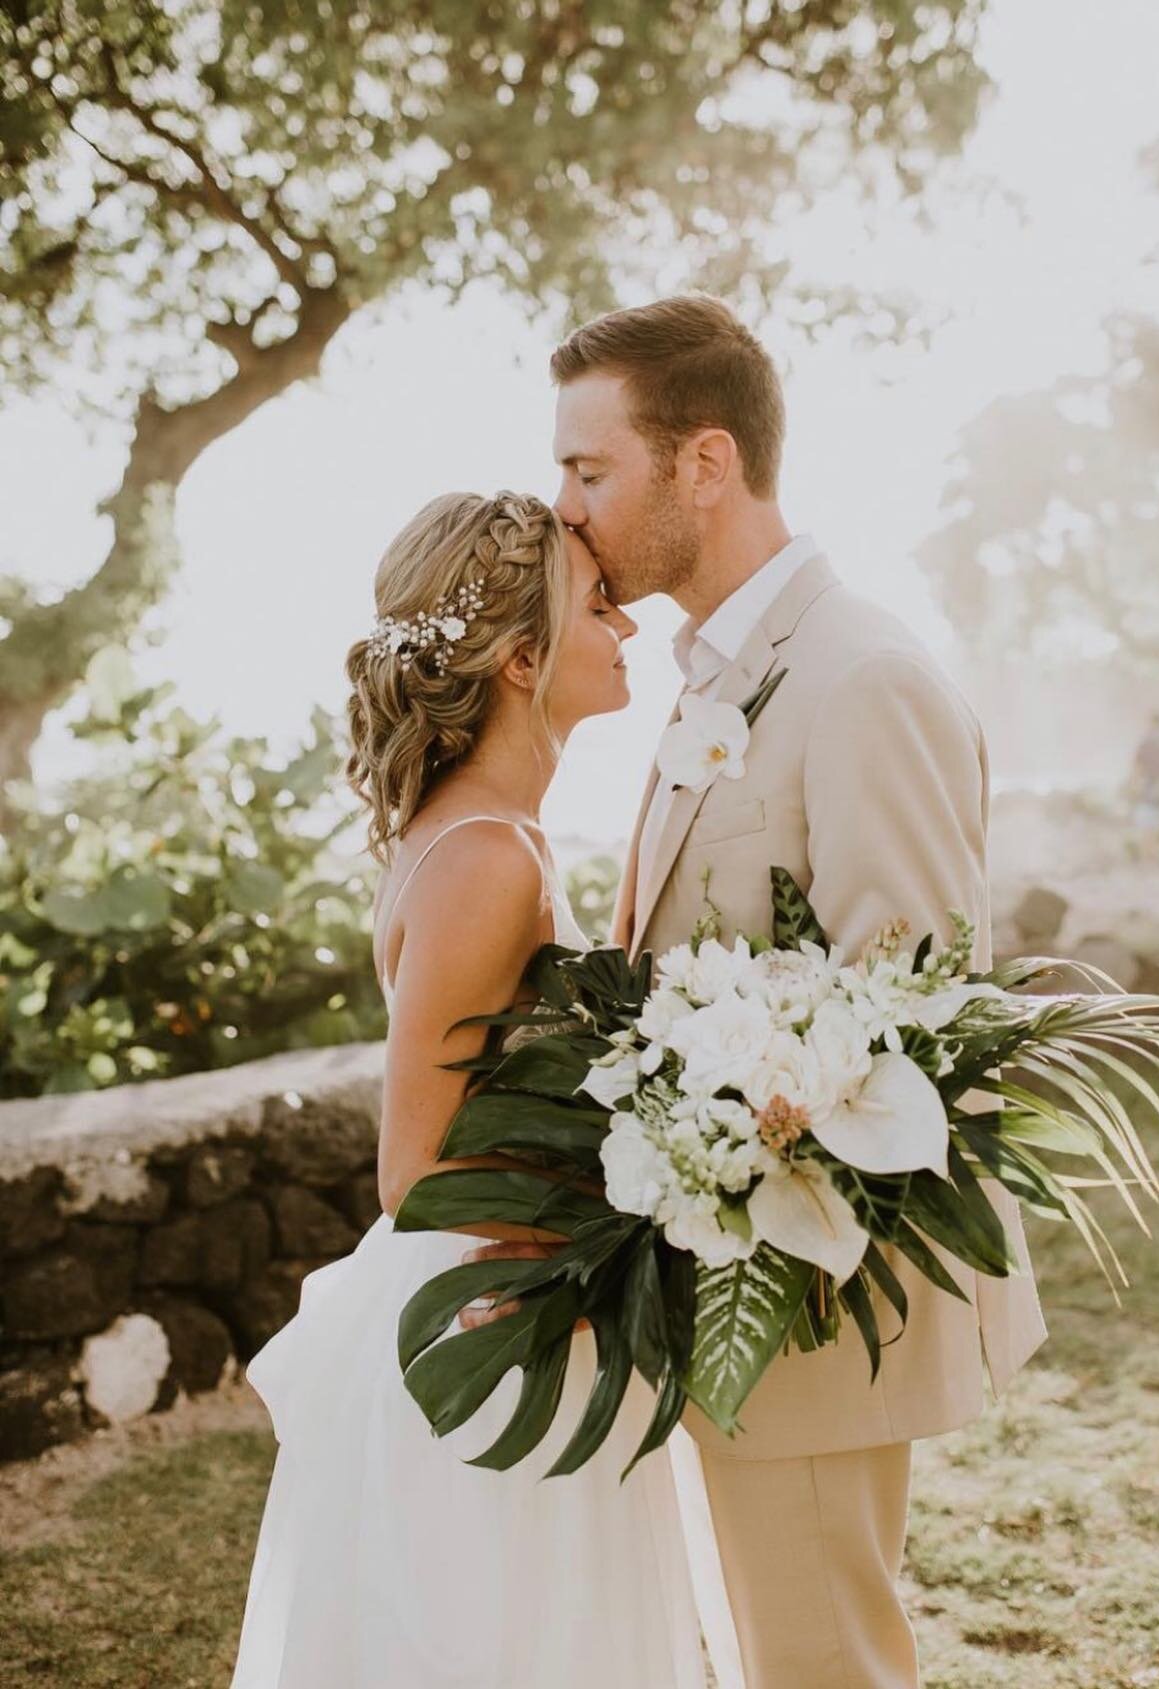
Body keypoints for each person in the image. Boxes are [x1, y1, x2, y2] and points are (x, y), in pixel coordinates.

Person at [461, 295, 1049, 1688]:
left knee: (821, 1665)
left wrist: (699, 1168)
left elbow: (902, 1024)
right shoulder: (715, 679)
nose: (565, 508)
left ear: (702, 464)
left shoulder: (859, 679)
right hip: (720, 1298)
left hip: (807, 1305)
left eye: (588, 471)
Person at [229, 491, 719, 1688]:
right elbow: (417, 1173)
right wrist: (628, 1235)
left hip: (518, 1300)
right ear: (519, 661)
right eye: (599, 606)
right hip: (501, 1324)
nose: (629, 630)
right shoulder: (484, 857)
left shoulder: (479, 833)